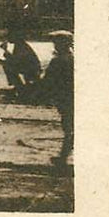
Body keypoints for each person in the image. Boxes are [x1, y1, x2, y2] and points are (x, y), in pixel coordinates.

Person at [40, 30, 74, 168]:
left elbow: (48, 81)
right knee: (71, 126)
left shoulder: (59, 60)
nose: (55, 46)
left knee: (69, 127)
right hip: (70, 96)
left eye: (56, 43)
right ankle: (63, 155)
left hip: (66, 98)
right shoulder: (72, 58)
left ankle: (63, 157)